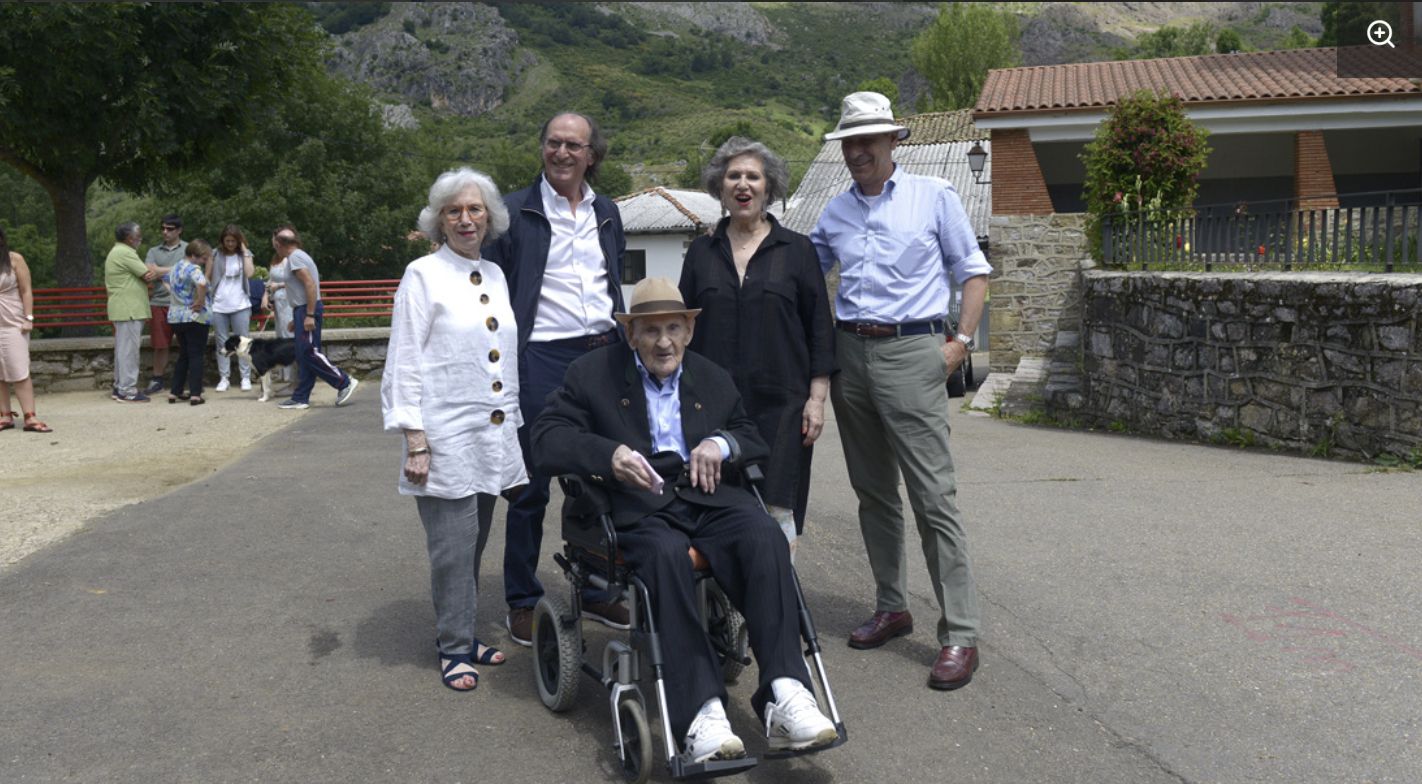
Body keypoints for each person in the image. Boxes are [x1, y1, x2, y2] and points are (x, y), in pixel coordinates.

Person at [533, 277, 839, 763]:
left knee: (764, 535)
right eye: (650, 330)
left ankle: (785, 691)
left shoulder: (711, 377)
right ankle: (700, 713)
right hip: (634, 504)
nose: (663, 341)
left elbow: (747, 433)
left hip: (707, 497)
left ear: (689, 332)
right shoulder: (591, 375)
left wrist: (720, 444)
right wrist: (607, 453)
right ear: (630, 335)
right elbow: (547, 437)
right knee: (665, 555)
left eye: (673, 328)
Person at [809, 91, 991, 691]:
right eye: (850, 142)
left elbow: (973, 271)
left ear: (893, 142)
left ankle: (960, 633)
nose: (858, 151)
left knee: (933, 497)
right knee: (873, 494)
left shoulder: (933, 196)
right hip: (850, 357)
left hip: (915, 350)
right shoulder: (833, 213)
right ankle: (893, 605)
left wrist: (959, 343)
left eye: (869, 139)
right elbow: (798, 273)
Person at [484, 111, 628, 647]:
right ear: (542, 147)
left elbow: (612, 281)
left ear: (592, 154)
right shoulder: (515, 212)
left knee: (598, 478)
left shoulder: (608, 211)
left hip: (603, 354)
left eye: (574, 145)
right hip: (540, 357)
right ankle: (522, 600)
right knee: (531, 484)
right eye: (553, 142)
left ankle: (593, 585)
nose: (562, 153)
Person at [382, 168, 525, 691]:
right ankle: (453, 645)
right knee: (451, 549)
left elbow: (503, 357)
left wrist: (511, 426)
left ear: (489, 217)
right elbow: (404, 360)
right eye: (454, 211)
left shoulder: (494, 274)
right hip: (442, 437)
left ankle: (463, 632)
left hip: (488, 437)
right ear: (439, 220)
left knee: (475, 543)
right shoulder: (422, 274)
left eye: (475, 210)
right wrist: (414, 439)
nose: (466, 219)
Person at [678, 137, 835, 557]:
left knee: (777, 506)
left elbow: (820, 328)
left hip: (782, 406)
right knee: (715, 503)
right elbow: (680, 329)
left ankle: (774, 600)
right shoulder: (701, 252)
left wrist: (816, 400)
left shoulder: (798, 251)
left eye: (753, 176)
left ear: (769, 187)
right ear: (720, 186)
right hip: (713, 406)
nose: (743, 184)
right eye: (734, 176)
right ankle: (723, 611)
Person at [272, 226, 359, 411]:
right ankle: (301, 397)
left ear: (278, 243)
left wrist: (309, 314)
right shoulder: (295, 257)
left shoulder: (295, 257)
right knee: (304, 355)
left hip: (307, 309)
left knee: (308, 351)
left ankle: (344, 381)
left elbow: (310, 285)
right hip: (302, 309)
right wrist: (296, 317)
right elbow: (302, 288)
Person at [0, 226, 51, 433]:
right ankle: (4, 415)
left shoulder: (14, 259)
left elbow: (26, 290)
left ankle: (30, 416)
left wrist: (29, 317)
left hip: (13, 320)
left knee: (18, 368)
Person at [105, 221, 156, 403]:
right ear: (129, 238)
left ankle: (120, 387)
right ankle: (128, 390)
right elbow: (147, 274)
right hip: (129, 308)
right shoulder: (125, 253)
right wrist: (161, 270)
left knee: (123, 350)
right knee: (129, 351)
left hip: (124, 307)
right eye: (138, 235)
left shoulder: (118, 251)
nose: (140, 239)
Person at [207, 225, 255, 393]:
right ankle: (224, 377)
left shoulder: (244, 255)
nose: (230, 244)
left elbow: (249, 274)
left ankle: (245, 377)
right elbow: (208, 276)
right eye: (227, 241)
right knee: (222, 342)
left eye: (233, 241)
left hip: (240, 303)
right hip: (219, 304)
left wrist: (244, 249)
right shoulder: (215, 254)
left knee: (242, 340)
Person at [164, 239, 211, 406]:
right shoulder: (193, 268)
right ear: (193, 256)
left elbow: (165, 280)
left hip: (176, 316)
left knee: (184, 354)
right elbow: (202, 283)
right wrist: (200, 301)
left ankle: (174, 391)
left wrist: (178, 298)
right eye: (203, 258)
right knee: (196, 355)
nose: (205, 262)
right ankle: (195, 394)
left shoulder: (176, 267)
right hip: (193, 316)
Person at [142, 214, 184, 394]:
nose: (164, 232)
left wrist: (160, 271)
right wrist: (176, 269)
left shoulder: (188, 248)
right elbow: (147, 271)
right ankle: (157, 378)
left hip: (183, 304)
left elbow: (189, 270)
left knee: (187, 343)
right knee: (160, 344)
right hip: (158, 302)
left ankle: (185, 378)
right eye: (163, 228)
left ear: (179, 230)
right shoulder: (153, 251)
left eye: (169, 229)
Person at [261, 245, 296, 386]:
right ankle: (285, 375)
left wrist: (279, 285)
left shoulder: (291, 259)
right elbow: (270, 280)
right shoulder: (275, 260)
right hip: (278, 302)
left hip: (288, 300)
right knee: (280, 335)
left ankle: (292, 378)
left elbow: (295, 281)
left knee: (289, 335)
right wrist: (266, 295)